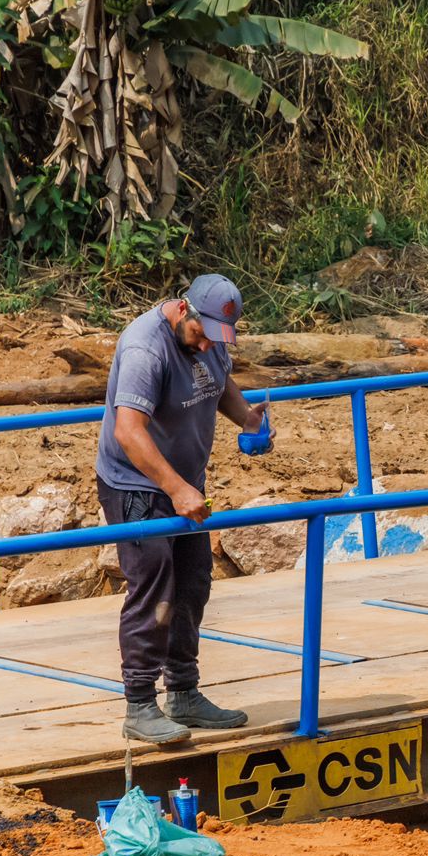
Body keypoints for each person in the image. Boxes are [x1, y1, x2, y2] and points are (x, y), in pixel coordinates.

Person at [95, 274, 274, 744]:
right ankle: (139, 705)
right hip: (137, 486)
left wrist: (249, 418)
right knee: (154, 587)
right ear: (182, 309)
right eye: (201, 333)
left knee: (193, 582)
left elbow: (221, 382)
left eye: (215, 337)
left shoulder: (207, 338)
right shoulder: (145, 350)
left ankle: (184, 692)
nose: (205, 343)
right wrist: (176, 490)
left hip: (184, 485)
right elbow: (128, 432)